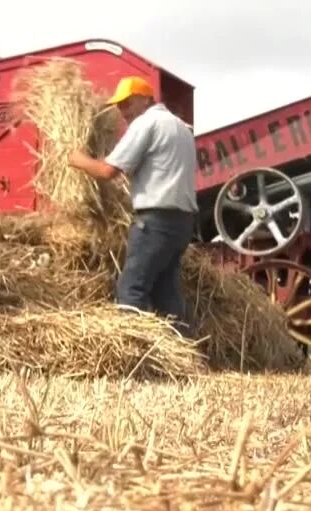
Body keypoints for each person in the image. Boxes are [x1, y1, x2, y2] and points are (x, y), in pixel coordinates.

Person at [67, 76, 198, 336]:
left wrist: (77, 159)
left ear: (146, 99)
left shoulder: (146, 123)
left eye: (127, 103)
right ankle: (182, 358)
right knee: (166, 293)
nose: (122, 111)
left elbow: (107, 171)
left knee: (131, 288)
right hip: (182, 223)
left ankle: (134, 354)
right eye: (119, 105)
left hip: (155, 222)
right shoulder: (181, 128)